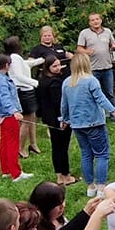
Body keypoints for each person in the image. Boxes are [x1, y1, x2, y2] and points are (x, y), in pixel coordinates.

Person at [62, 50, 115, 196]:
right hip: (95, 124)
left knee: (86, 154)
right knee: (102, 155)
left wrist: (65, 119)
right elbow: (102, 99)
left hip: (77, 126)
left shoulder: (67, 82)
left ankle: (90, 187)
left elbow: (64, 104)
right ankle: (101, 188)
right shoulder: (91, 80)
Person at [30, 25, 76, 187]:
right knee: (62, 147)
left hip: (49, 118)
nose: (59, 68)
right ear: (47, 67)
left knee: (56, 146)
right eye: (55, 66)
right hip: (58, 118)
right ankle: (66, 175)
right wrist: (64, 118)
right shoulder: (55, 83)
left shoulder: (42, 81)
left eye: (59, 65)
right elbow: (59, 103)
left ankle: (59, 176)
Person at [0, 53, 23, 181]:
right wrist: (14, 112)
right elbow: (5, 98)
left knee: (5, 142)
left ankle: (6, 170)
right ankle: (16, 174)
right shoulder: (2, 80)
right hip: (8, 115)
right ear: (7, 65)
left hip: (0, 114)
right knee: (13, 143)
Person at [6, 34, 41, 157]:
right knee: (26, 121)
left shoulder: (16, 58)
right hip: (23, 91)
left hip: (27, 90)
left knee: (32, 118)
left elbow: (27, 64)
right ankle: (20, 149)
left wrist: (42, 60)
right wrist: (35, 83)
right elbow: (19, 76)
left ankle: (33, 144)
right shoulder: (14, 57)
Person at [77, 14, 115, 103]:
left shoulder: (107, 31)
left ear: (101, 20)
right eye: (92, 20)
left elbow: (112, 47)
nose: (95, 21)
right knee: (93, 92)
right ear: (89, 23)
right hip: (92, 69)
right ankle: (96, 110)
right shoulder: (84, 33)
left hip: (107, 68)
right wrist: (87, 51)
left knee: (109, 93)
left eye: (97, 19)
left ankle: (112, 110)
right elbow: (79, 49)